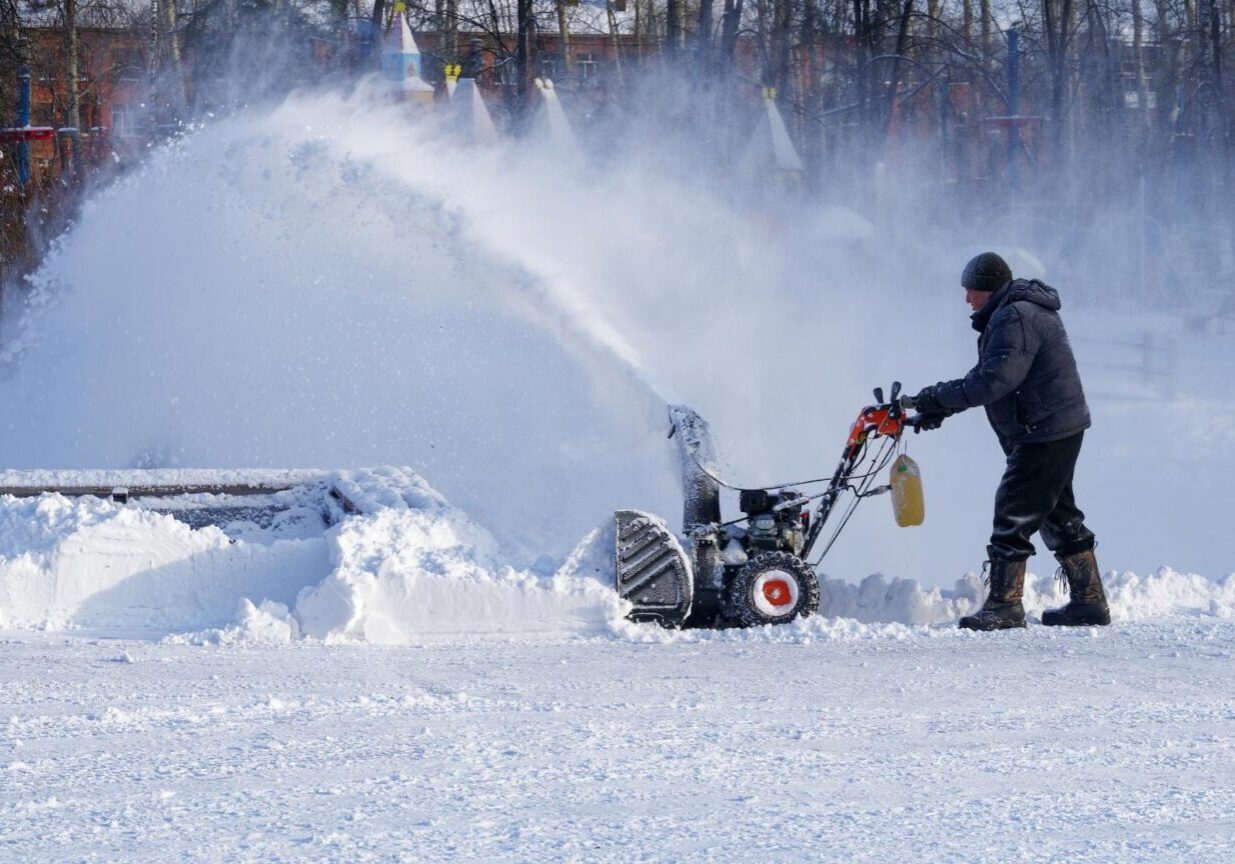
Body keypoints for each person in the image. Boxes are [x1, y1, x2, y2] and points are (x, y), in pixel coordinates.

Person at [912, 252, 1111, 631]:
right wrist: (940, 407)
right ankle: (1089, 602)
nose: (966, 299)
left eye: (970, 290)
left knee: (1013, 511)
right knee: (1057, 513)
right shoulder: (1015, 312)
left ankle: (1005, 604)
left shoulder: (1015, 315)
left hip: (1044, 429)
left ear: (988, 288)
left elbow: (994, 381)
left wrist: (935, 397)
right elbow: (992, 375)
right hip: (1053, 425)